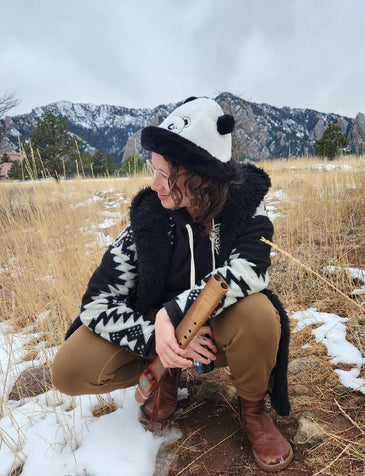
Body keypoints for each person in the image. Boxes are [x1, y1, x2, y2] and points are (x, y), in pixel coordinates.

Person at [51, 96, 292, 472]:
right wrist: (156, 337)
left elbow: (251, 269)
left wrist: (174, 314)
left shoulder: (246, 204)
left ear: (198, 177)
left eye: (165, 175)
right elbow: (97, 304)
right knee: (69, 368)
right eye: (153, 171)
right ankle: (168, 367)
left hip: (220, 327)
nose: (154, 184)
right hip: (156, 330)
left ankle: (253, 410)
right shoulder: (147, 219)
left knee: (259, 314)